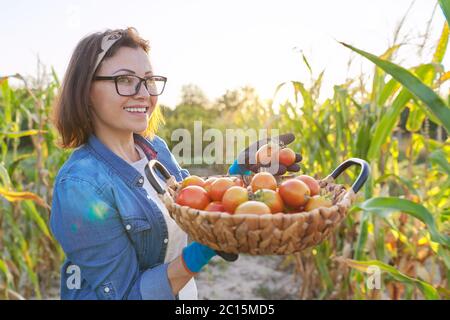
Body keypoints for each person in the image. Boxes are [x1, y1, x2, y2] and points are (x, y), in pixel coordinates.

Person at [50, 27, 301, 300]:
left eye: (149, 80)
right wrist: (200, 252)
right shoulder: (81, 186)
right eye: (124, 79)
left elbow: (189, 204)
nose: (143, 93)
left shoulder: (154, 148)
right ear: (86, 90)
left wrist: (238, 174)